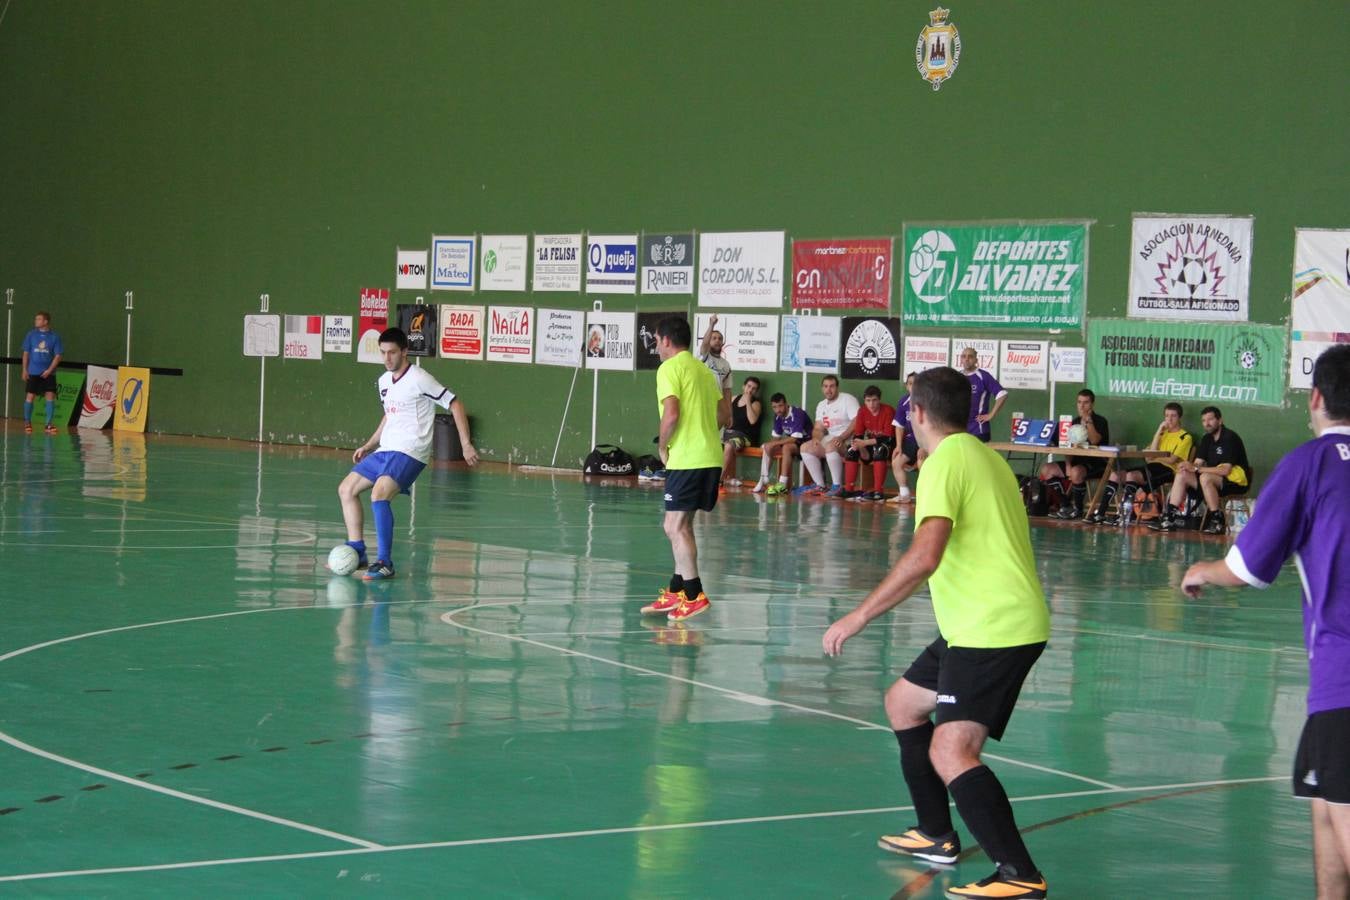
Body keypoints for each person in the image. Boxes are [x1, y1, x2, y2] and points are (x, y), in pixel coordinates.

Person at [823, 366, 1050, 899]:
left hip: (995, 628)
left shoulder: (946, 462)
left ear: (916, 412)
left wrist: (858, 615)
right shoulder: (981, 455)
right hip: (975, 623)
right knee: (903, 704)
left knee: (952, 751)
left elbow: (925, 556)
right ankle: (936, 834)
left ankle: (1019, 875)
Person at [1180, 345, 1350, 899]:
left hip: (1343, 678)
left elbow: (1248, 567)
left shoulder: (1310, 463)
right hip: (1331, 695)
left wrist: (1201, 570)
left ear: (1317, 397)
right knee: (1326, 813)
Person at [337, 327, 478, 580]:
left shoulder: (419, 378)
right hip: (386, 449)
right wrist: (369, 445)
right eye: (382, 353)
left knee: (379, 495)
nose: (387, 358)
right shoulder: (382, 382)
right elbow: (390, 416)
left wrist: (465, 444)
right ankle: (358, 551)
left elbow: (454, 403)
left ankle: (385, 562)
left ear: (404, 351)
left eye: (392, 352)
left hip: (411, 451)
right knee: (346, 489)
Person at [640, 317, 729, 623]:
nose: (655, 345)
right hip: (710, 456)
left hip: (687, 458)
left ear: (666, 340)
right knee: (682, 526)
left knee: (674, 527)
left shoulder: (669, 369)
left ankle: (693, 594)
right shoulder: (705, 371)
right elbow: (724, 415)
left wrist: (663, 447)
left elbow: (671, 414)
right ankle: (678, 589)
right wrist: (702, 431)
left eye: (656, 339)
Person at [1153, 405, 1250, 535]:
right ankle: (1169, 517)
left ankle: (1217, 520)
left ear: (1220, 421)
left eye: (1210, 420)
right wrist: (1187, 465)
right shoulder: (1207, 438)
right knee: (1182, 474)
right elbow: (1197, 463)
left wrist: (1198, 468)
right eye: (1204, 421)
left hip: (1235, 481)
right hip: (1211, 482)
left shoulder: (1229, 438)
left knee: (1205, 477)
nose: (1207, 424)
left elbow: (1225, 471)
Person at [1097, 401, 1193, 525]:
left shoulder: (1185, 437)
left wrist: (1154, 457)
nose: (1169, 419)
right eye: (1167, 415)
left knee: (1132, 476)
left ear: (1179, 417)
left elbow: (1172, 460)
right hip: (1151, 467)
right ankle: (1100, 514)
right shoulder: (1162, 434)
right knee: (1115, 475)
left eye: (1173, 416)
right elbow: (1148, 457)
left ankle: (1123, 515)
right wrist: (1159, 431)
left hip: (1168, 470)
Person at [1038, 389, 1109, 521]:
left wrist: (1088, 422)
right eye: (1079, 402)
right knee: (1046, 469)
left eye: (1086, 403)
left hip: (1097, 463)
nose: (1082, 406)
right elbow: (1067, 446)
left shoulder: (1100, 421)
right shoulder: (1073, 422)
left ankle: (1079, 510)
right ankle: (1066, 505)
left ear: (1092, 404)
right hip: (1076, 461)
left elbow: (1094, 440)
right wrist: (1068, 464)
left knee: (1076, 472)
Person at [797, 374, 859, 496]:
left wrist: (842, 437)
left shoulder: (848, 399)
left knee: (831, 446)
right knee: (805, 447)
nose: (828, 390)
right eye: (825, 386)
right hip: (831, 438)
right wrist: (816, 438)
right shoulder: (821, 405)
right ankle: (820, 485)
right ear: (822, 388)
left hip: (850, 440)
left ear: (837, 387)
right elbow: (818, 428)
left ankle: (837, 486)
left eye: (832, 386)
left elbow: (857, 421)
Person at [842, 385, 895, 501]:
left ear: (879, 400)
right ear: (865, 401)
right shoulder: (862, 411)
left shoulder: (888, 411)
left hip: (890, 446)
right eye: (868, 401)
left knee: (880, 450)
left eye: (874, 400)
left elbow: (888, 438)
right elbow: (858, 435)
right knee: (851, 450)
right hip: (870, 445)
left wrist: (864, 443)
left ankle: (878, 492)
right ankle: (849, 490)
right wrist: (858, 445)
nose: (871, 404)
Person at [752, 393, 811, 495]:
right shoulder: (777, 416)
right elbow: (776, 438)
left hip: (807, 443)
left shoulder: (797, 413)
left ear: (786, 404)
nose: (778, 409)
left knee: (786, 447)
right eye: (774, 407)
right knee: (768, 447)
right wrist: (768, 445)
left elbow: (794, 438)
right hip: (795, 443)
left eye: (780, 406)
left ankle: (782, 484)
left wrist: (774, 444)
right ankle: (762, 480)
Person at [21, 311, 64, 435]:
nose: (36, 321)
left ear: (45, 321)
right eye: (36, 319)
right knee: (30, 396)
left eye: (39, 319)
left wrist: (50, 370)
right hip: (33, 371)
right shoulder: (31, 335)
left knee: (50, 397)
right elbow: (26, 353)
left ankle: (49, 424)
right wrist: (24, 369)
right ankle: (27, 422)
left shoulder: (55, 337)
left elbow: (58, 355)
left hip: (48, 373)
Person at [887, 372, 926, 504]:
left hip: (926, 441)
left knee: (923, 464)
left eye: (916, 384)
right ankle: (904, 495)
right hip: (911, 440)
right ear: (906, 386)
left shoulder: (928, 402)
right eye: (910, 384)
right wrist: (898, 446)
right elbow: (899, 425)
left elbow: (931, 427)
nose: (913, 387)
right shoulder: (903, 402)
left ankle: (926, 497)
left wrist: (923, 447)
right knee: (896, 462)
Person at [720, 376, 763, 487]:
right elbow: (725, 416)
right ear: (743, 386)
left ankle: (719, 480)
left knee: (729, 446)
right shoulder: (733, 398)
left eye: (754, 388)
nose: (750, 390)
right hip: (728, 433)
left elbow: (752, 420)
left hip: (744, 437)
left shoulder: (756, 403)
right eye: (749, 386)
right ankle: (720, 478)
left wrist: (748, 401)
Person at [958, 347, 1007, 443]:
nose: (967, 359)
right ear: (961, 359)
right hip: (960, 430)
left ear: (976, 360)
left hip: (978, 430)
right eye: (964, 356)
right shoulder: (957, 376)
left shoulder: (983, 376)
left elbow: (1002, 394)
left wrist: (991, 415)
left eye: (970, 356)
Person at [698, 313, 733, 403]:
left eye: (720, 339)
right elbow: (704, 344)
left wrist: (729, 414)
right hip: (701, 401)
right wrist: (711, 325)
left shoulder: (726, 364)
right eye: (714, 338)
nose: (717, 340)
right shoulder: (704, 356)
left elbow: (727, 391)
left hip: (716, 404)